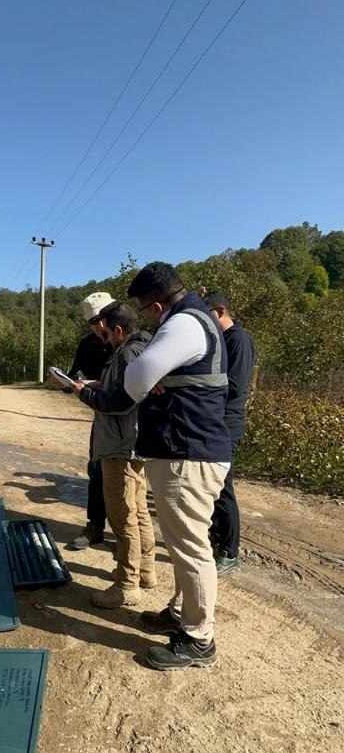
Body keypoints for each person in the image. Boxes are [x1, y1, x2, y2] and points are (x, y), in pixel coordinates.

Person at [124, 262, 231, 671]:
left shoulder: (183, 324)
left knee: (190, 548)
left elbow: (135, 380)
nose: (145, 320)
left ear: (154, 305)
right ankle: (182, 612)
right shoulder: (196, 321)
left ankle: (199, 638)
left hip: (189, 455)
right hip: (188, 452)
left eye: (144, 310)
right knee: (183, 544)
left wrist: (148, 375)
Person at [69, 301, 155, 608]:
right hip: (134, 443)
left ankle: (126, 585)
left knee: (122, 517)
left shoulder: (126, 353)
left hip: (119, 446)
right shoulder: (144, 349)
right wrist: (96, 384)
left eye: (106, 331)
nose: (102, 335)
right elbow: (124, 390)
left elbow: (119, 402)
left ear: (119, 329)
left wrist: (84, 393)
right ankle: (146, 572)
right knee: (140, 511)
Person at [203, 291, 256, 576]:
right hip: (215, 421)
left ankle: (230, 551)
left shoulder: (238, 340)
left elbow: (234, 386)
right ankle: (217, 538)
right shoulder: (223, 340)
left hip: (228, 422)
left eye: (208, 313)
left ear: (220, 311)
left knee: (223, 485)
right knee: (211, 485)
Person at [65, 292, 114, 550]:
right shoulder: (88, 344)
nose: (99, 325)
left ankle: (130, 538)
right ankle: (95, 526)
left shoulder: (131, 340)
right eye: (93, 321)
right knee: (96, 468)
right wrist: (64, 383)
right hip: (102, 414)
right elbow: (75, 375)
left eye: (102, 318)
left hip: (133, 419)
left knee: (131, 477)